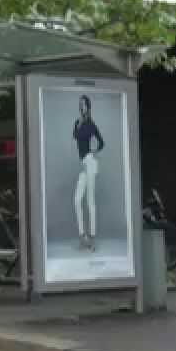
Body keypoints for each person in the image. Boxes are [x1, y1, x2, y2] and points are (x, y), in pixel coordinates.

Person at [72, 95, 105, 252]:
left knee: (90, 201)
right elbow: (76, 139)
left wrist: (94, 151)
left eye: (84, 104)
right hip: (83, 164)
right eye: (80, 105)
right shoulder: (77, 123)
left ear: (88, 106)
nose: (82, 107)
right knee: (77, 200)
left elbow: (101, 142)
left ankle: (92, 239)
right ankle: (82, 237)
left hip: (90, 163)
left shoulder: (92, 125)